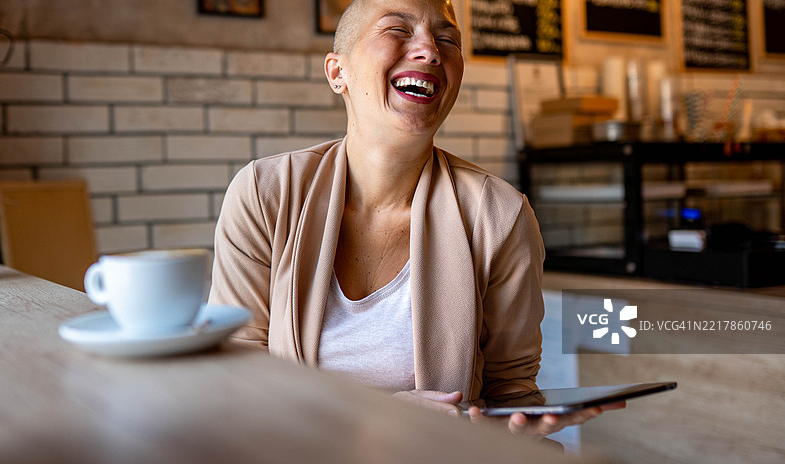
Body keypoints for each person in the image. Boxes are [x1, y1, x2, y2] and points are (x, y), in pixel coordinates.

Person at [209, 0, 619, 438]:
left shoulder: (499, 215)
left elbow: (511, 391)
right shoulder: (265, 193)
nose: (430, 51)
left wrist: (516, 430)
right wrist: (373, 416)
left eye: (448, 39)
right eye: (397, 30)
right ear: (337, 73)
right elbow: (232, 375)